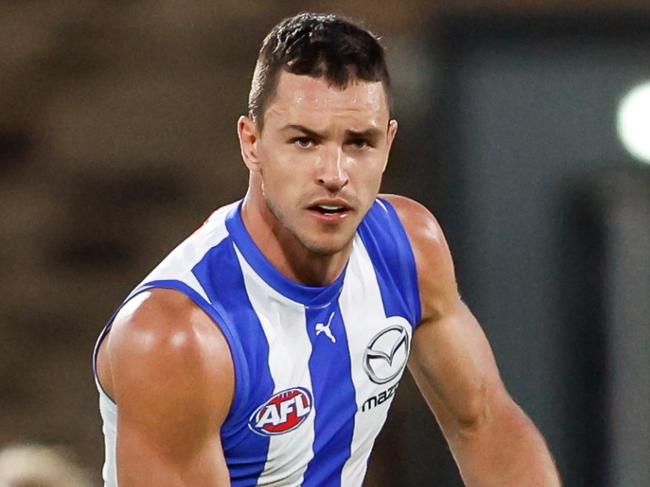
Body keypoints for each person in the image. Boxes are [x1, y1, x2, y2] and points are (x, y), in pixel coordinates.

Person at [93, 12, 561, 487]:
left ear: (388, 144)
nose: (334, 174)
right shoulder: (177, 337)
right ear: (251, 143)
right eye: (305, 141)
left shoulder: (407, 248)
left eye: (359, 142)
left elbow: (483, 423)